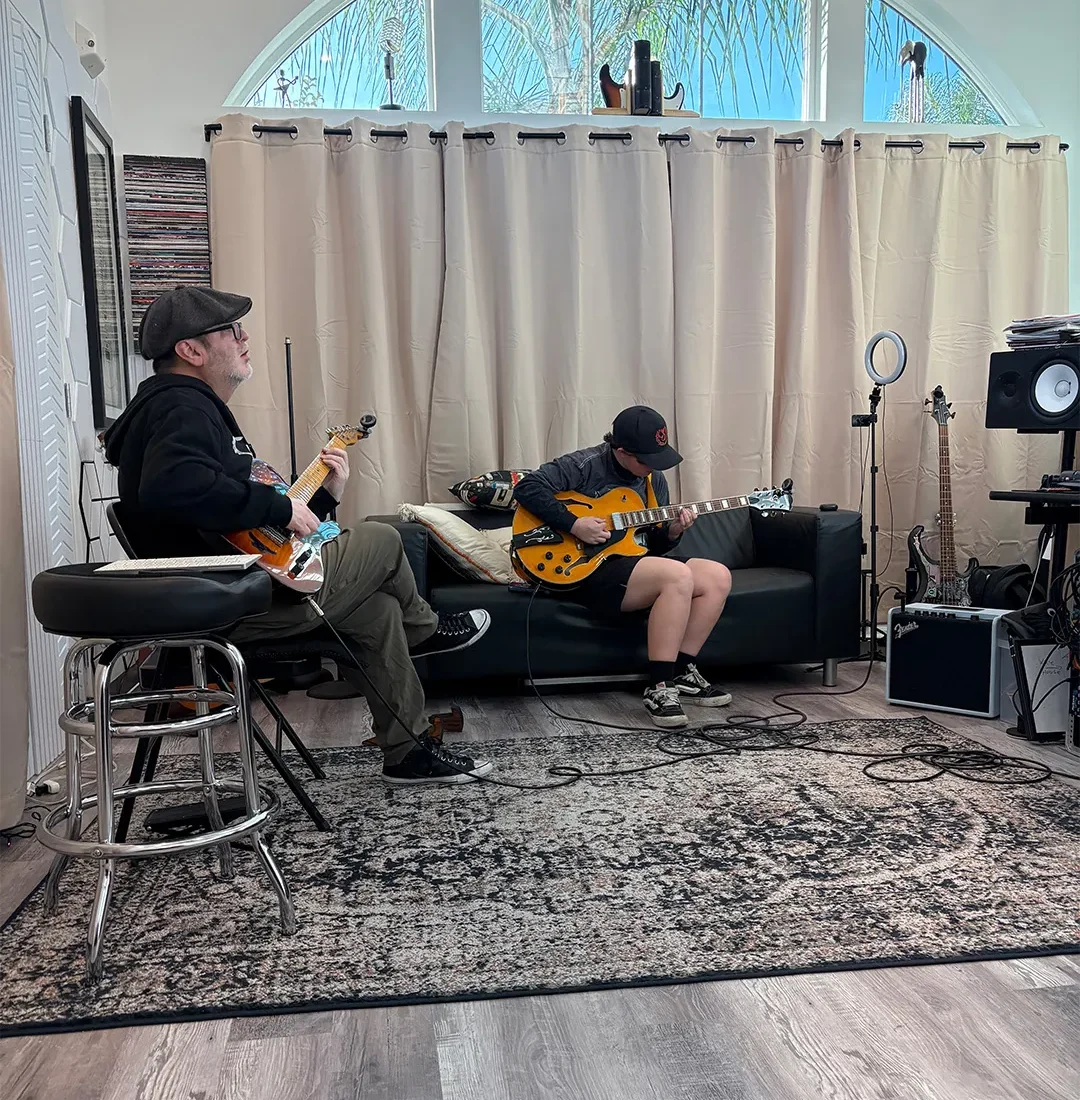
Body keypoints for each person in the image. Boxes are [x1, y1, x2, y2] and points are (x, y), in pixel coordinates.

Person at [103, 286, 493, 785]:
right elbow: (175, 487)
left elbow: (250, 530)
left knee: (376, 612)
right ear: (191, 351)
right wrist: (278, 504)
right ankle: (427, 631)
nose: (244, 338)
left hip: (229, 589)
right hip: (223, 602)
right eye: (230, 330)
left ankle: (408, 753)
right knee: (382, 538)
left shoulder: (172, 407)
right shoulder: (183, 404)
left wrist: (322, 498)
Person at [513, 406, 733, 728]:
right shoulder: (585, 464)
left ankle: (683, 672)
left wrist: (672, 531)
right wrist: (574, 524)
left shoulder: (652, 479)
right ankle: (659, 687)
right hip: (585, 569)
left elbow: (652, 546)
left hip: (631, 565)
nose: (652, 468)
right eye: (645, 460)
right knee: (678, 576)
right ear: (621, 451)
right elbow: (527, 487)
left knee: (717, 576)